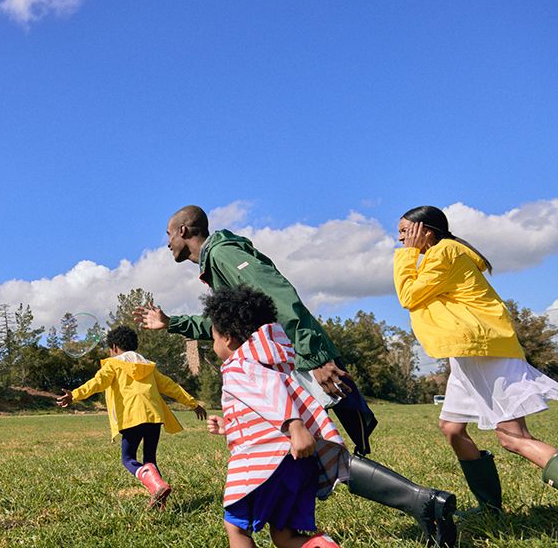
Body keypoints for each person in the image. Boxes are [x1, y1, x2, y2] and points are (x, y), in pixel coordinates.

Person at [134, 205, 457, 547]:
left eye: (168, 235)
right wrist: (173, 323)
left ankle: (423, 503)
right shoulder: (215, 263)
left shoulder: (223, 253)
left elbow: (278, 295)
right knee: (321, 449)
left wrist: (316, 355)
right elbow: (229, 323)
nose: (167, 243)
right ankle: (423, 504)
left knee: (322, 449)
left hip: (288, 357)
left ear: (183, 231)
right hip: (281, 354)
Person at [394, 205, 558, 514]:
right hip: (468, 352)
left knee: (513, 438)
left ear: (426, 231)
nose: (401, 239)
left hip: (484, 351)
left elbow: (408, 295)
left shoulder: (444, 253)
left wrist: (406, 256)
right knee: (452, 429)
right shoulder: (437, 255)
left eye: (406, 231)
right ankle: (490, 508)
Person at [203, 285, 345, 548]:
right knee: (284, 536)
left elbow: (272, 391)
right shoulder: (276, 364)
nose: (213, 345)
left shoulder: (238, 366)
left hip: (267, 463)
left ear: (229, 339)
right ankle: (320, 545)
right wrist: (228, 424)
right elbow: (264, 406)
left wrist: (295, 425)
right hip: (299, 464)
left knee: (236, 528)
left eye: (214, 337)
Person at [57, 325, 207, 508]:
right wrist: (193, 403)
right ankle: (159, 501)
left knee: (127, 459)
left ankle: (156, 486)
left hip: (131, 417)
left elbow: (97, 383)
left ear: (113, 347)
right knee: (150, 460)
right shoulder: (148, 366)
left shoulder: (112, 364)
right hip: (153, 416)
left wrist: (74, 395)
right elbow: (170, 386)